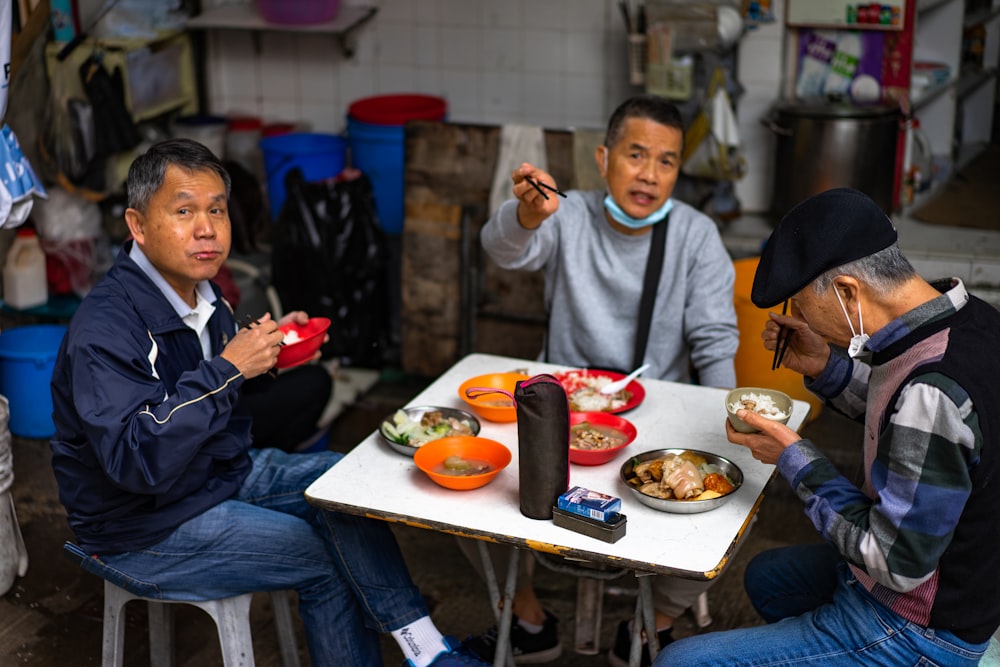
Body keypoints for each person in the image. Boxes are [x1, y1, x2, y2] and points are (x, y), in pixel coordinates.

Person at [48, 139, 488, 667]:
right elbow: (135, 459)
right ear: (138, 227)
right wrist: (231, 366)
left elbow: (209, 390)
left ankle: (426, 650)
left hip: (210, 476)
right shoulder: (107, 328)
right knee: (325, 559)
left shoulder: (204, 296)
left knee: (345, 489)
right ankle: (423, 651)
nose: (206, 227)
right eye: (184, 211)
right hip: (140, 524)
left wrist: (270, 351)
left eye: (216, 209)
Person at [655, 187, 1000, 666]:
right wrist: (825, 366)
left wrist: (795, 458)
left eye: (800, 303)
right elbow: (908, 429)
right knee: (767, 578)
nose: (797, 318)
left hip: (920, 626)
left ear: (846, 293)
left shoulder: (932, 391)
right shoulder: (965, 319)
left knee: (680, 662)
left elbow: (894, 562)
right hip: (951, 577)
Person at [467, 94, 739, 665]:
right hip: (555, 416)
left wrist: (727, 423)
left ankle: (653, 623)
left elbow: (714, 340)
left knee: (737, 496)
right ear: (602, 156)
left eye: (666, 161)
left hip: (652, 416)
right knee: (463, 485)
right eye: (636, 155)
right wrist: (525, 217)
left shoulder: (695, 236)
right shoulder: (566, 215)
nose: (649, 174)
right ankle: (528, 617)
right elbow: (500, 251)